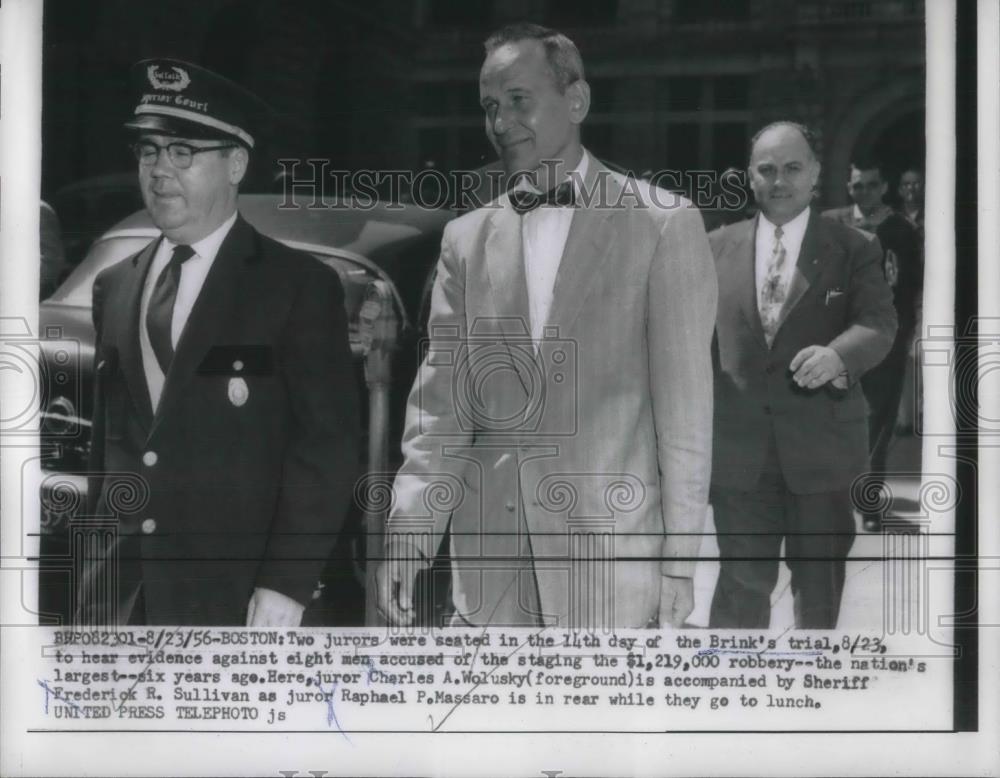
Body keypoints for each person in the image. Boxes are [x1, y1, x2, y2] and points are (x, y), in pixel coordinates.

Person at [376, 23, 717, 629]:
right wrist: (411, 529)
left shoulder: (664, 224)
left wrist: (679, 564)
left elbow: (686, 418)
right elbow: (439, 415)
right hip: (488, 578)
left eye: (518, 100)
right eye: (488, 106)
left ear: (576, 101)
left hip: (610, 573)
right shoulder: (465, 239)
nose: (500, 122)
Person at [77, 59, 359, 626]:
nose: (160, 170)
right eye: (149, 151)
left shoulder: (295, 287)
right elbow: (112, 451)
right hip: (119, 597)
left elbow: (325, 449)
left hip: (237, 599)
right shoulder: (116, 284)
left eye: (183, 152)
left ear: (236, 164)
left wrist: (287, 583)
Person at [708, 122, 896, 629]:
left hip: (823, 452)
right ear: (749, 177)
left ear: (815, 172)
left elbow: (878, 324)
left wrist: (839, 356)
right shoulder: (713, 248)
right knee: (740, 589)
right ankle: (733, 699)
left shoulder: (854, 246)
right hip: (739, 457)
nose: (779, 180)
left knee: (818, 593)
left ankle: (814, 702)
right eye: (766, 169)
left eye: (792, 167)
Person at [822, 161, 921, 531]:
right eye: (858, 186)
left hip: (884, 338)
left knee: (876, 421)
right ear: (849, 187)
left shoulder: (900, 229)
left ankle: (869, 503)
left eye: (872, 185)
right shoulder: (831, 223)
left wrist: (904, 334)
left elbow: (910, 286)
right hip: (837, 338)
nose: (865, 192)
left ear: (884, 187)